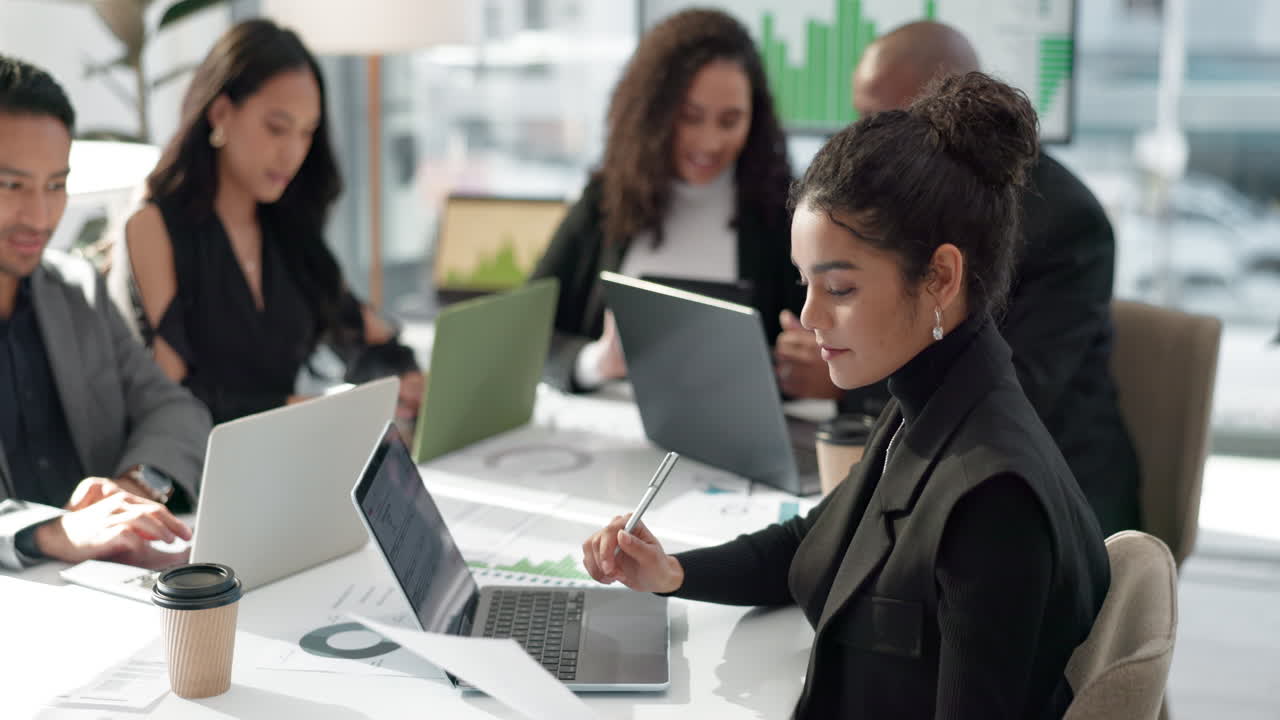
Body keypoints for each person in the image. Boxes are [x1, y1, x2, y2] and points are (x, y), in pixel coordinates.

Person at [583, 72, 1110, 718]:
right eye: (807, 285)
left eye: (839, 290)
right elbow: (819, 540)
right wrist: (673, 574)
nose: (809, 317)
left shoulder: (990, 503)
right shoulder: (933, 396)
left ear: (941, 277)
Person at [774, 21, 1140, 536]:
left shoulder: (1066, 220)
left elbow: (1023, 387)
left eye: (877, 116)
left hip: (1040, 493)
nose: (858, 135)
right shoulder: (879, 210)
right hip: (930, 459)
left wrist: (845, 384)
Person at [112, 20, 422, 426]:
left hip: (293, 454)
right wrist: (290, 410)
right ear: (221, 112)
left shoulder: (287, 227)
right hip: (202, 471)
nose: (292, 153)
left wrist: (407, 377)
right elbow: (175, 399)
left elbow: (368, 336)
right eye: (277, 128)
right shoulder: (153, 227)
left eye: (306, 133)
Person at [0, 56, 210, 570]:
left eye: (55, 185)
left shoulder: (77, 290)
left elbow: (179, 412)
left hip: (107, 581)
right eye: (12, 185)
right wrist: (50, 533)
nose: (41, 216)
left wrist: (135, 486)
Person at [530, 8, 801, 391]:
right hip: (611, 429)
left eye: (730, 120)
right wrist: (597, 362)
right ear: (654, 114)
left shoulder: (784, 213)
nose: (710, 142)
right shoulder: (605, 201)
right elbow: (526, 334)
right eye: (690, 117)